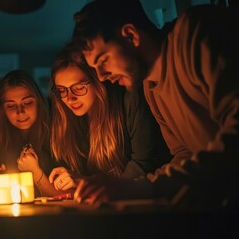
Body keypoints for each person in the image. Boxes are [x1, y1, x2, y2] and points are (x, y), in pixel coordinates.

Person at [71, 0, 239, 210]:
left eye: (103, 60)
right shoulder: (150, 87)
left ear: (131, 35)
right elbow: (185, 155)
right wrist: (127, 187)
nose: (102, 77)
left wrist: (138, 190)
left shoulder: (193, 33)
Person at [49, 44, 171, 192]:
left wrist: (108, 190)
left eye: (79, 87)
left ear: (97, 82)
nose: (69, 98)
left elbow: (144, 163)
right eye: (62, 90)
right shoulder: (71, 121)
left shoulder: (129, 100)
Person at [0, 69, 60, 198]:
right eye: (11, 106)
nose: (20, 112)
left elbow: (66, 194)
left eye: (27, 103)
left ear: (39, 102)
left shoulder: (58, 134)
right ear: (2, 109)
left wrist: (35, 172)